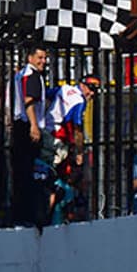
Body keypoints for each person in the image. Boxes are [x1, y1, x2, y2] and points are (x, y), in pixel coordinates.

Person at [42, 75, 100, 224]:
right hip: (58, 139)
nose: (92, 94)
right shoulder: (80, 101)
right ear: (83, 85)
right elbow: (78, 127)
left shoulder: (64, 89)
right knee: (59, 180)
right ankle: (53, 217)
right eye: (91, 89)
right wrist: (80, 152)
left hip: (45, 133)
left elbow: (45, 95)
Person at [11, 45, 48, 227]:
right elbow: (29, 101)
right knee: (30, 173)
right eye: (39, 57)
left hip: (19, 125)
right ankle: (29, 214)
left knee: (21, 172)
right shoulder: (32, 75)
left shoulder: (20, 74)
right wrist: (34, 125)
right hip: (27, 127)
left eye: (44, 58)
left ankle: (22, 213)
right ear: (30, 58)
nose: (43, 61)